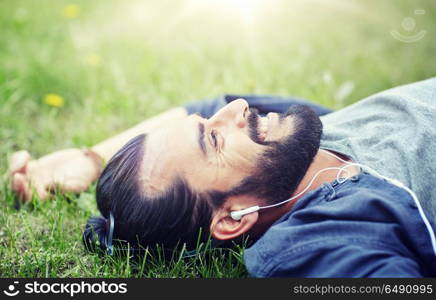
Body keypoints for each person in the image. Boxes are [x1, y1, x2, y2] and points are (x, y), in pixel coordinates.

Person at [9, 78, 436, 277]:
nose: (237, 110)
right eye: (213, 139)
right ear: (233, 218)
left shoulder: (298, 139)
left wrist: (90, 159)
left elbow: (215, 99)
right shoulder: (324, 237)